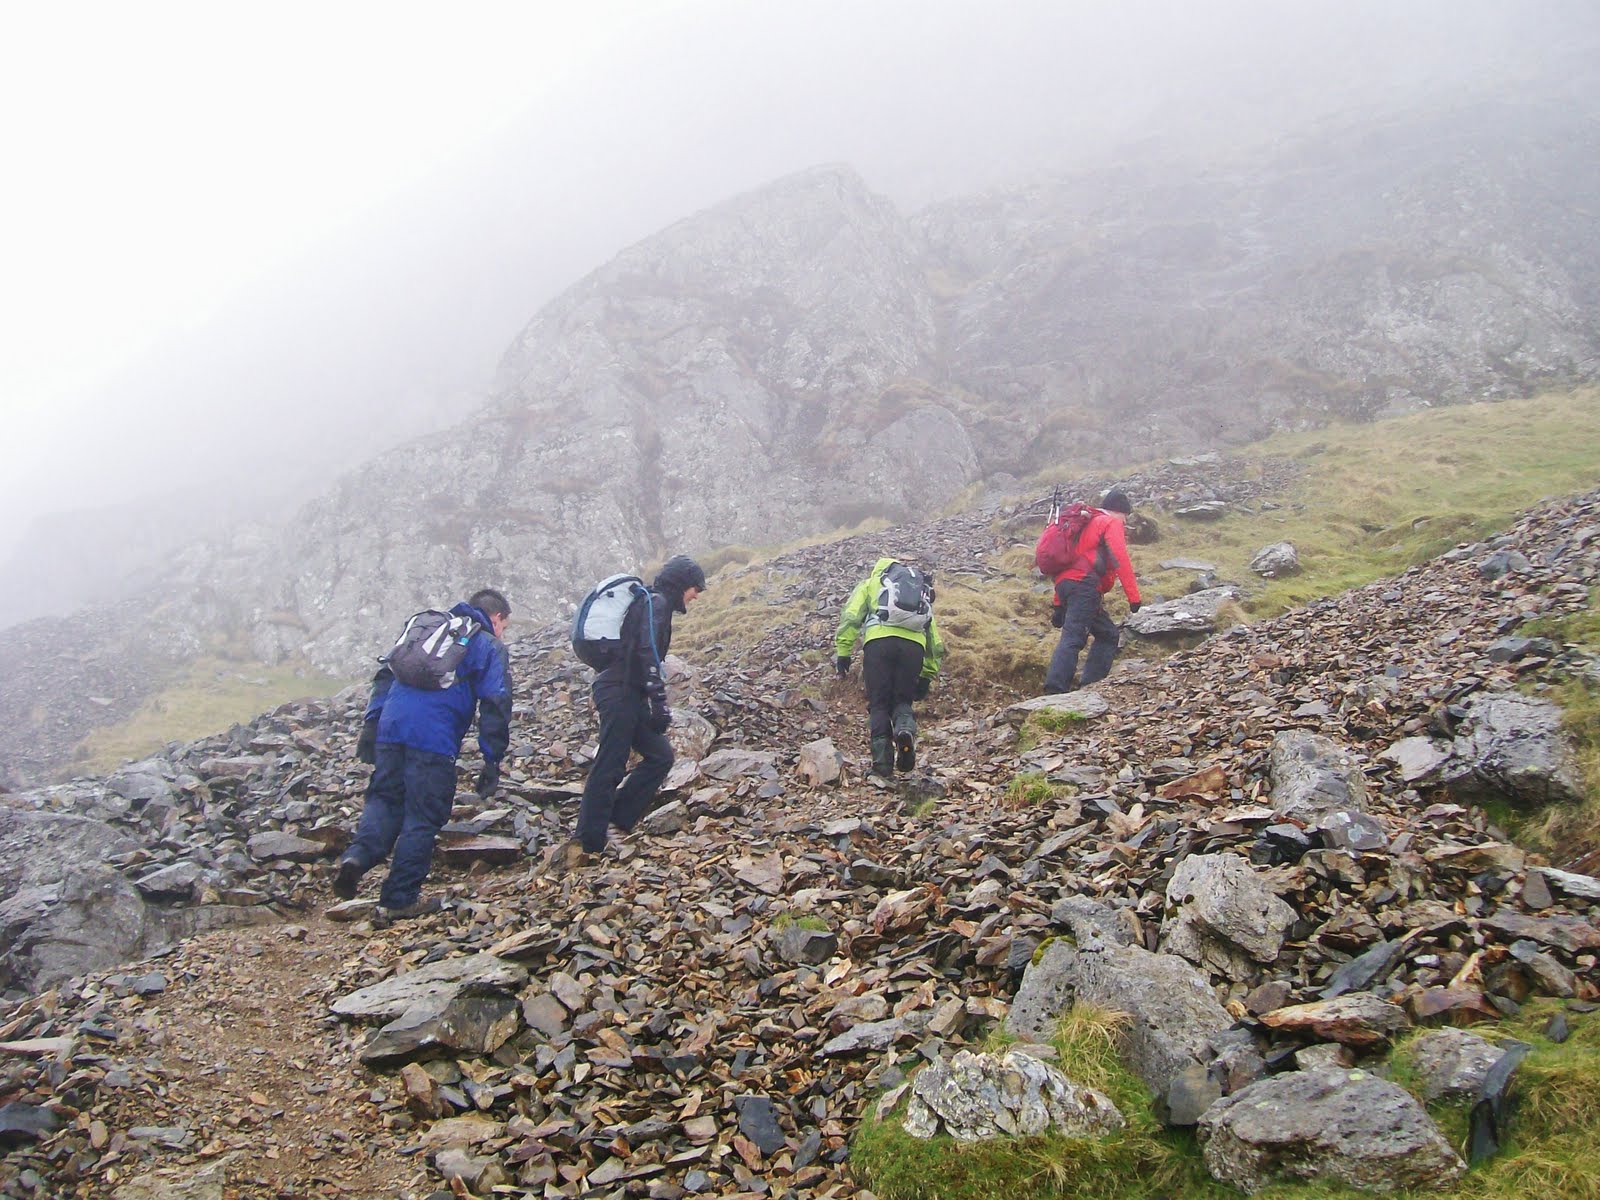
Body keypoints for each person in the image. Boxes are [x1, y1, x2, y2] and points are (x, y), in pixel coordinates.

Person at [334, 589, 512, 919]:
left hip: (391, 728)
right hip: (433, 739)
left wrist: (371, 725)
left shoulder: (427, 630)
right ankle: (399, 899)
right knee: (423, 815)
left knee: (384, 799)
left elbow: (386, 674)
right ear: (497, 617)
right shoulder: (486, 643)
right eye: (505, 625)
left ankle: (357, 857)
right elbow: (495, 701)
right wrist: (492, 758)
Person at [548, 554, 706, 875]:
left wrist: (650, 701)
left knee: (660, 756)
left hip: (629, 691)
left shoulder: (653, 603)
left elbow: (643, 654)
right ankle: (589, 840)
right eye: (695, 588)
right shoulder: (657, 603)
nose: (696, 595)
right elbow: (648, 652)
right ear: (682, 584)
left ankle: (615, 821)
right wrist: (660, 702)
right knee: (611, 761)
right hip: (619, 689)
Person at [835, 557, 945, 776]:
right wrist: (927, 673)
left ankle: (882, 765)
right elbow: (933, 635)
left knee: (879, 704)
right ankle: (905, 730)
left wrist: (843, 651)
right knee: (902, 701)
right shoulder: (917, 588)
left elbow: (851, 616)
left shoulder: (872, 583)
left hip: (879, 645)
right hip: (913, 648)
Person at [1043, 487, 1141, 693]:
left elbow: (1069, 565)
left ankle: (1092, 685)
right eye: (1125, 516)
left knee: (1108, 634)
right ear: (1119, 511)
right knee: (1074, 637)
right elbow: (1120, 558)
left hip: (1068, 585)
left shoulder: (1086, 523)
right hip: (1085, 587)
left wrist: (1059, 604)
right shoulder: (1109, 522)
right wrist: (1133, 596)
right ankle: (1055, 688)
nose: (1125, 522)